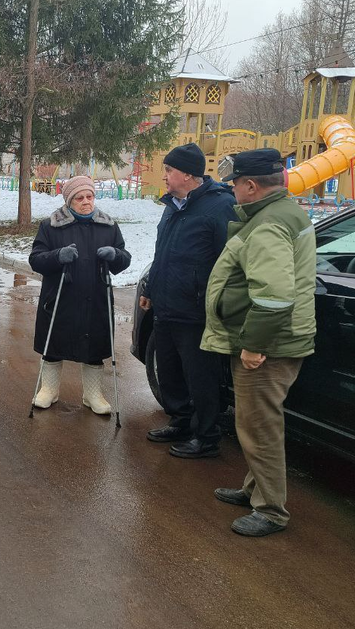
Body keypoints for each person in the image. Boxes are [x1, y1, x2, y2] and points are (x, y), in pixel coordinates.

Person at [201, 148, 316, 537]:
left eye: (235, 184)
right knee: (256, 422)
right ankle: (254, 490)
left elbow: (274, 294)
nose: (232, 190)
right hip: (277, 341)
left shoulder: (268, 224)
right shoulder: (280, 213)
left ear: (250, 186)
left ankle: (270, 510)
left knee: (258, 426)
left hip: (270, 347)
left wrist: (253, 345)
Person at [140, 143, 236, 458]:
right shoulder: (173, 206)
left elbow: (229, 260)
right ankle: (180, 420)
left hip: (196, 311)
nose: (164, 176)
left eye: (169, 170)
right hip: (166, 306)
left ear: (188, 174)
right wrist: (149, 290)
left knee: (201, 378)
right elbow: (162, 253)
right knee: (169, 371)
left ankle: (206, 436)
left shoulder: (219, 207)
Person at [29, 176, 130, 414]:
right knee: (54, 344)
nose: (86, 201)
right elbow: (35, 260)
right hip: (59, 298)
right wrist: (57, 256)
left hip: (95, 298)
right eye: (79, 197)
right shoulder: (50, 226)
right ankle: (48, 390)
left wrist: (115, 254)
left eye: (89, 196)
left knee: (94, 347)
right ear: (69, 201)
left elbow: (124, 259)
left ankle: (93, 395)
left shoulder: (108, 225)